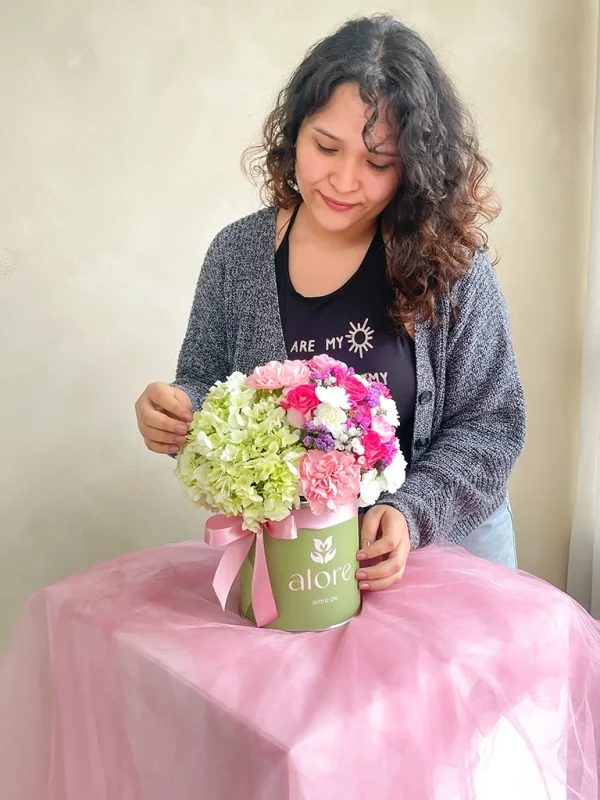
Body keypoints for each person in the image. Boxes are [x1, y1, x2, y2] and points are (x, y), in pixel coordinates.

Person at [135, 14, 526, 589]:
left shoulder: (452, 263)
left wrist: (411, 513)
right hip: (305, 570)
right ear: (294, 132)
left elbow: (492, 423)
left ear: (413, 168)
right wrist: (177, 413)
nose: (344, 180)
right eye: (326, 147)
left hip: (451, 560)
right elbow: (207, 381)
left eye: (377, 163)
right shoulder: (238, 254)